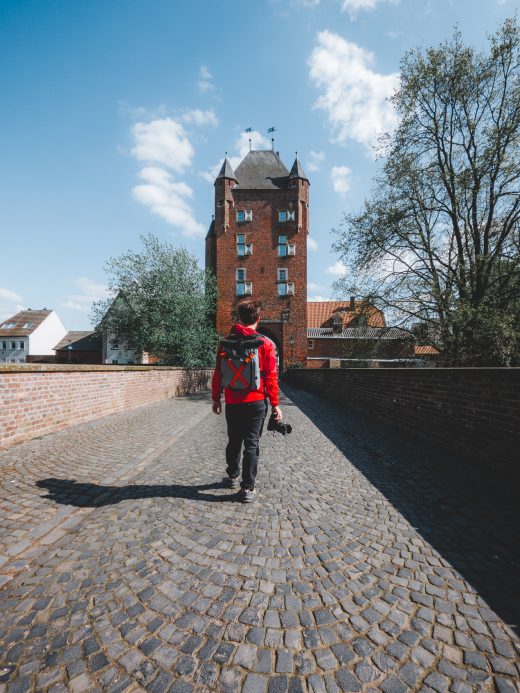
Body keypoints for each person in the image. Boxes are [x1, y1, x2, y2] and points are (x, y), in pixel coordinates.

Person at [211, 299, 282, 503]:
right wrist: (276, 404)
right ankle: (247, 488)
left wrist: (216, 398)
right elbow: (271, 377)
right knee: (252, 443)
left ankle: (233, 475)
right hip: (256, 402)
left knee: (234, 440)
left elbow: (218, 374)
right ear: (258, 319)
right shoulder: (266, 344)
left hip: (233, 401)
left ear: (239, 319)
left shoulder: (225, 343)